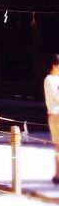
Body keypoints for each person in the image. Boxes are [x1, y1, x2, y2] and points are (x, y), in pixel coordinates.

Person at [44, 55, 59, 183]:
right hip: (55, 115)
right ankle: (58, 174)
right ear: (54, 66)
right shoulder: (49, 80)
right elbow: (57, 96)